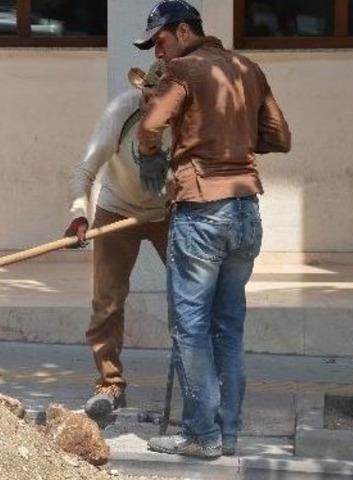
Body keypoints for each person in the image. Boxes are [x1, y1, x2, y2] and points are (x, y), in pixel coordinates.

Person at [132, 0, 291, 458]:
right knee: (229, 328)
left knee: (191, 328)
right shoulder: (248, 67)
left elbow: (149, 127)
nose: (158, 52)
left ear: (184, 31)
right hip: (246, 210)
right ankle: (229, 433)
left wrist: (153, 157)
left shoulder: (184, 70)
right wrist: (235, 136)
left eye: (159, 41)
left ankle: (201, 436)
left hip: (202, 211)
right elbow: (280, 136)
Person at [64, 62, 172, 419]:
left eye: (162, 100)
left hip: (170, 212)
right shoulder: (121, 111)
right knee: (107, 301)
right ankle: (109, 384)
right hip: (116, 208)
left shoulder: (192, 117)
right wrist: (79, 213)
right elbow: (85, 169)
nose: (151, 106)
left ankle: (197, 384)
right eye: (147, 97)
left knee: (191, 297)